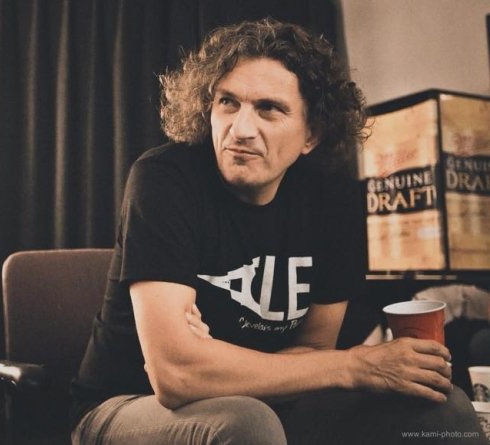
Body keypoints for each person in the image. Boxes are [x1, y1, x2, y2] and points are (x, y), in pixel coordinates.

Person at [70, 18, 486, 445]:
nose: (240, 129)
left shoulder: (334, 201)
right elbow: (176, 374)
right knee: (246, 422)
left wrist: (215, 359)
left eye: (269, 108)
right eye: (227, 102)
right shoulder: (164, 178)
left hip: (272, 402)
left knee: (444, 408)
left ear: (312, 134)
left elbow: (315, 352)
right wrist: (355, 365)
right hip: (124, 406)